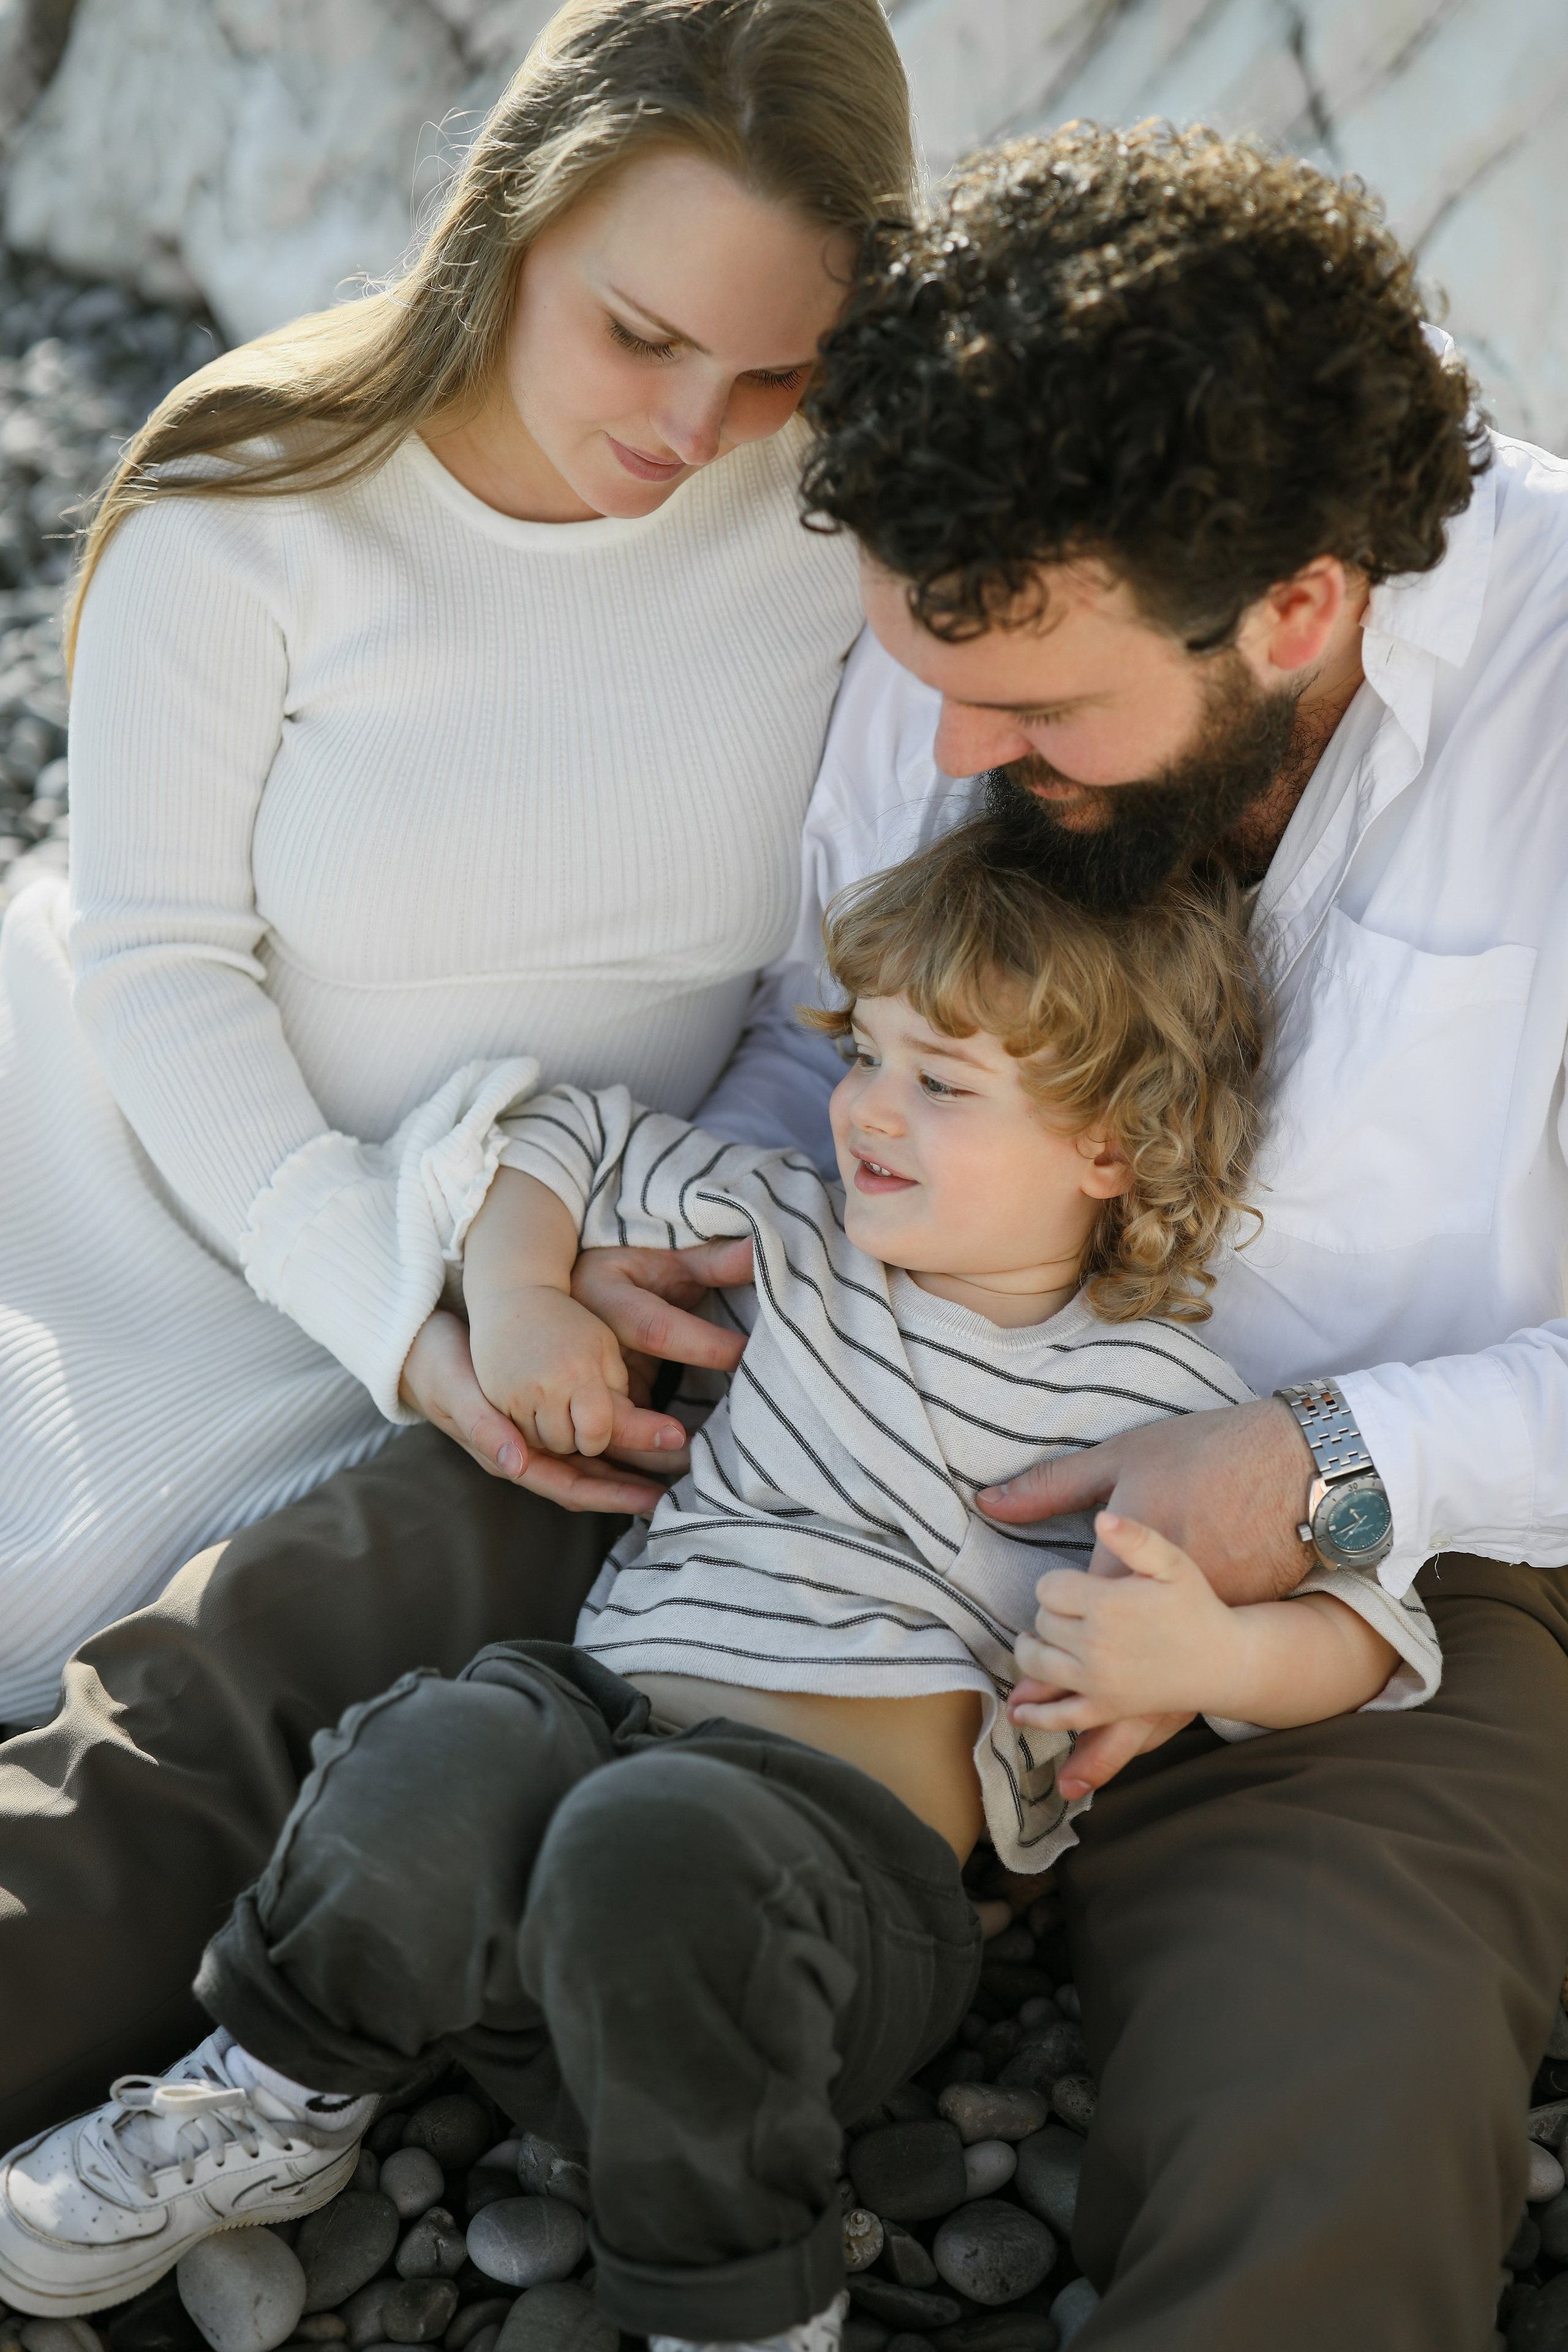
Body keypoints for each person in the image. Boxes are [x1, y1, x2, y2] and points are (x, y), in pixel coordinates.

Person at [4, 116, 1566, 2343]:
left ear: (1299, 609)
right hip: (827, 1386)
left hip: (1373, 1543)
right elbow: (801, 1029)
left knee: (1344, 2095)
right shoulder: (976, 623)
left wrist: (1327, 1464)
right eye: (922, 675)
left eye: (1028, 707)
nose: (951, 746)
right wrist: (661, 1254)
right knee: (277, 1653)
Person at [0, 820, 1441, 2336]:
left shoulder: (1168, 1404)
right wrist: (519, 1293)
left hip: (808, 1925)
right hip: (543, 1846)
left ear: (1113, 1146)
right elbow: (555, 1135)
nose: (867, 1109)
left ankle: (740, 2293)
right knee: (444, 1735)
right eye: (863, 1053)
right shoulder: (785, 1232)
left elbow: (1363, 1622)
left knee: (658, 1834)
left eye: (938, 1083)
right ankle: (276, 2098)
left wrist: (1204, 1663)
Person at [0, 0, 914, 1727]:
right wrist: (397, 1311)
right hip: (158, 1184)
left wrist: (607, 1230)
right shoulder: (247, 499)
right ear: (515, 211)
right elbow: (157, 964)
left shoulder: (840, 528)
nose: (696, 428)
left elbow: (821, 998)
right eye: (640, 335)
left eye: (777, 370)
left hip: (559, 1263)